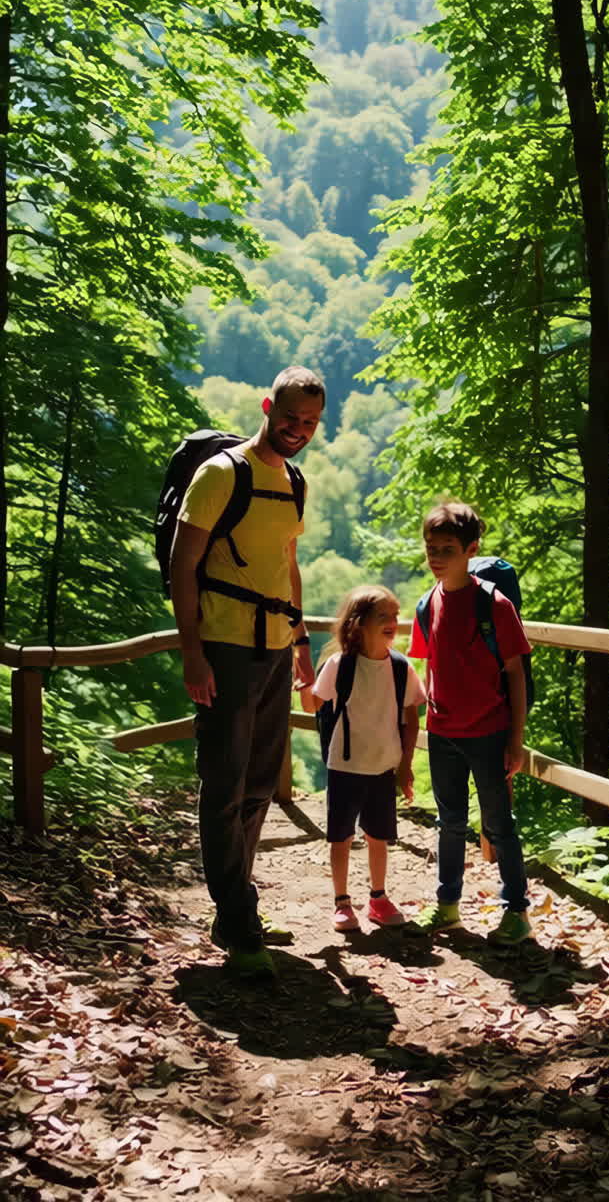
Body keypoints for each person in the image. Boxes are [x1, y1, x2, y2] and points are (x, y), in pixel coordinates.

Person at [170, 365, 324, 977]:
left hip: (276, 647)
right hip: (225, 648)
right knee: (225, 784)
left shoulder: (294, 482)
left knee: (260, 783)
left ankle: (238, 909)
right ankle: (238, 921)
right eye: (290, 417)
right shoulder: (220, 474)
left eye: (310, 422)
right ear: (268, 406)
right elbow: (185, 568)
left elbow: (288, 563)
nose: (298, 430)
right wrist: (192, 652)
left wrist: (303, 641)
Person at [408, 502, 532, 944]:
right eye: (431, 549)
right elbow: (428, 667)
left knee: (499, 824)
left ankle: (516, 911)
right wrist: (425, 724)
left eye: (447, 549)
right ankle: (447, 906)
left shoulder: (494, 606)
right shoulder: (427, 604)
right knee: (450, 823)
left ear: (471, 549)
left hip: (489, 733)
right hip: (443, 734)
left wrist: (514, 741)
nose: (437, 558)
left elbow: (515, 673)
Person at [300, 585, 426, 932]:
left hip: (383, 766)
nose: (392, 622)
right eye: (382, 616)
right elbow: (313, 704)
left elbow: (411, 719)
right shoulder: (340, 665)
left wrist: (404, 769)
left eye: (394, 615)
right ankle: (342, 902)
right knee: (340, 837)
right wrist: (302, 680)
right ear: (359, 624)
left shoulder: (401, 668)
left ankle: (378, 897)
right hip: (344, 765)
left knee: (378, 836)